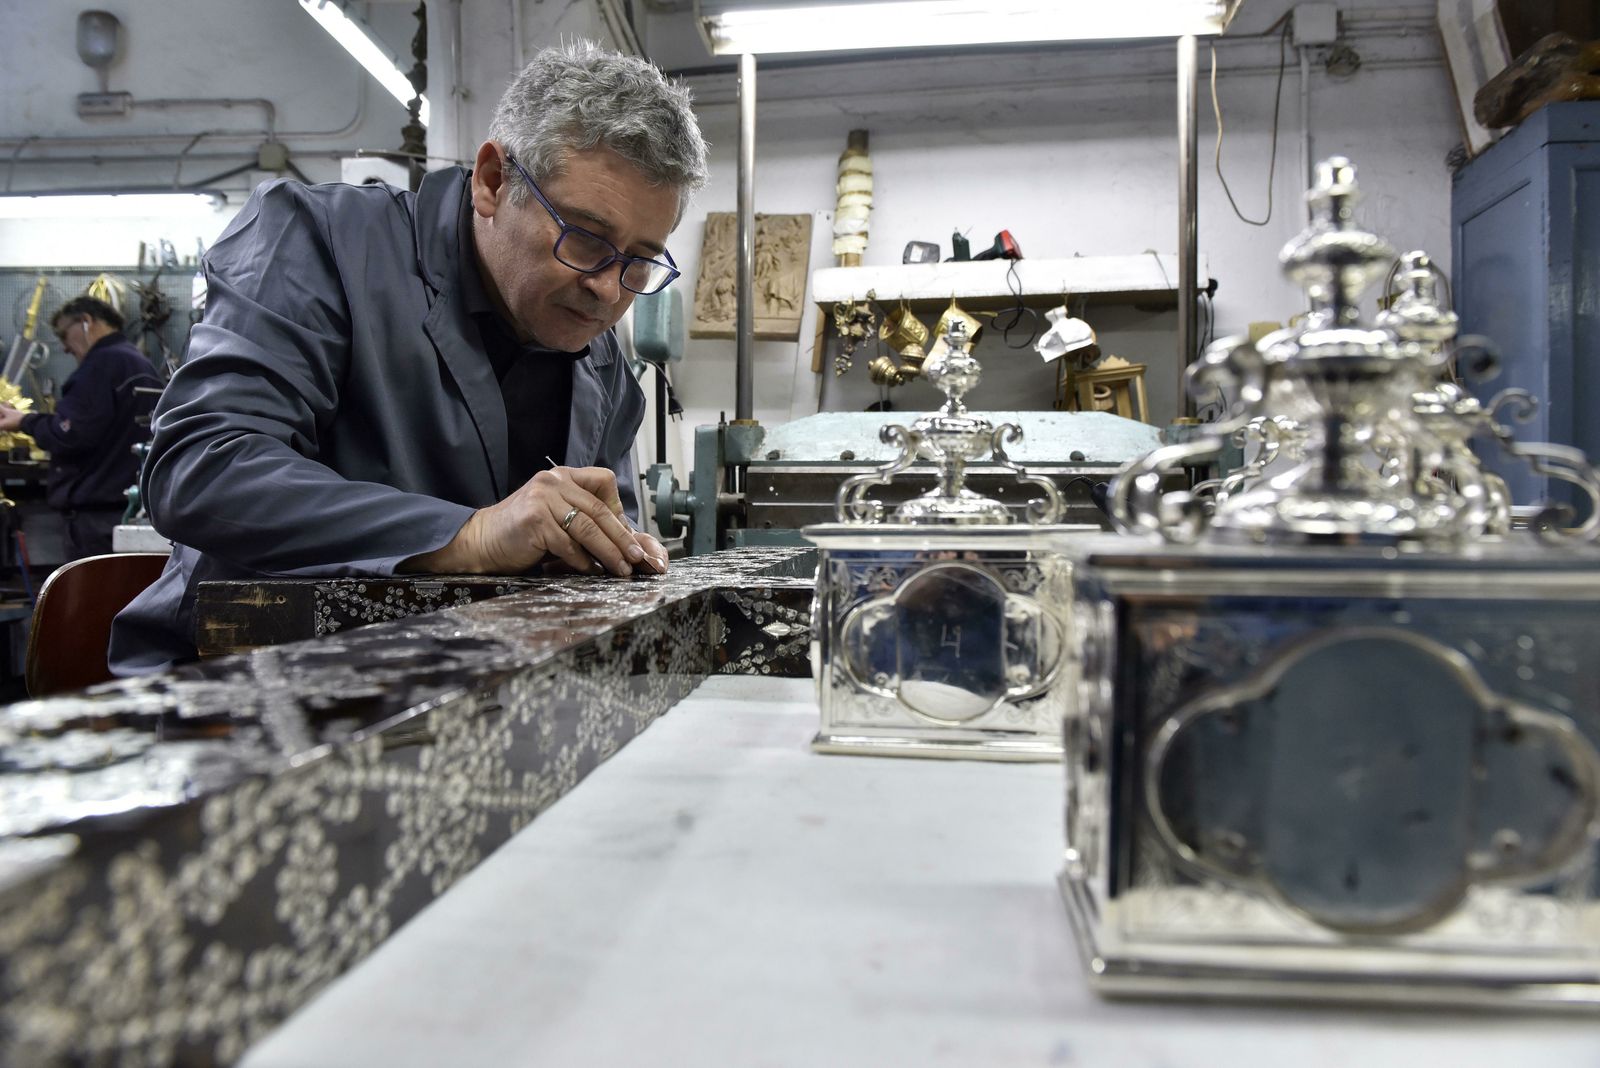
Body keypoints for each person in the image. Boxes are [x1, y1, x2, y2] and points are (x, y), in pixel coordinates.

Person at [109, 40, 709, 674]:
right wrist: (470, 535)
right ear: (493, 181)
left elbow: (601, 546)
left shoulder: (602, 364)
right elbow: (202, 469)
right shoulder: (321, 244)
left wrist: (618, 554)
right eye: (586, 239)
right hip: (243, 690)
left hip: (455, 697)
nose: (609, 289)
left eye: (640, 261)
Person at [0, 296, 161, 561]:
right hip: (127, 510)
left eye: (63, 334)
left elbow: (71, 433)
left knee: (92, 599)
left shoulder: (100, 365)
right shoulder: (140, 364)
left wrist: (24, 421)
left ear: (86, 322)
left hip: (95, 520)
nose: (64, 347)